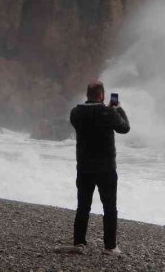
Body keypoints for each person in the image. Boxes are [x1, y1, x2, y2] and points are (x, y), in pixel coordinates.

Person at [69, 81, 130, 255]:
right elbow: (125, 128)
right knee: (109, 208)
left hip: (84, 168)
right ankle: (110, 247)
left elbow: (89, 118)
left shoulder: (76, 112)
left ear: (87, 94)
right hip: (106, 169)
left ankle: (79, 243)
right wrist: (117, 108)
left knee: (83, 206)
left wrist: (108, 110)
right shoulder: (108, 112)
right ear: (102, 95)